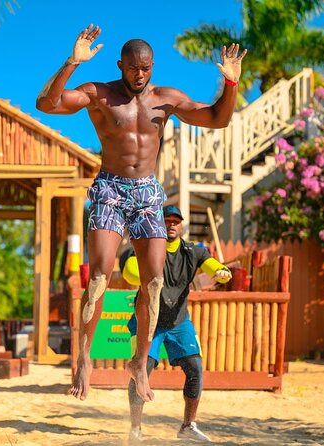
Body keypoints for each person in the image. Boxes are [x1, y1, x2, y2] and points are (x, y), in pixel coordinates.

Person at [36, 24, 246, 402]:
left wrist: (230, 85)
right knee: (100, 275)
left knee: (153, 282)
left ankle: (138, 362)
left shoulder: (166, 99)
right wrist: (72, 62)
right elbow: (47, 104)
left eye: (146, 68)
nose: (139, 74)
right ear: (121, 65)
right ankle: (83, 358)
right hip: (110, 189)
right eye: (133, 68)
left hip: (147, 192)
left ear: (153, 67)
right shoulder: (99, 94)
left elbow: (218, 118)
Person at [120, 205, 231, 443]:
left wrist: (221, 271)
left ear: (181, 226)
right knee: (141, 371)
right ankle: (135, 428)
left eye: (175, 221)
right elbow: (129, 270)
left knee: (195, 370)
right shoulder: (146, 247)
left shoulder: (193, 251)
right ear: (160, 223)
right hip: (148, 322)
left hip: (179, 321)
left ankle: (188, 426)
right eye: (167, 220)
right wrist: (143, 275)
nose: (171, 224)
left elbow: (212, 264)